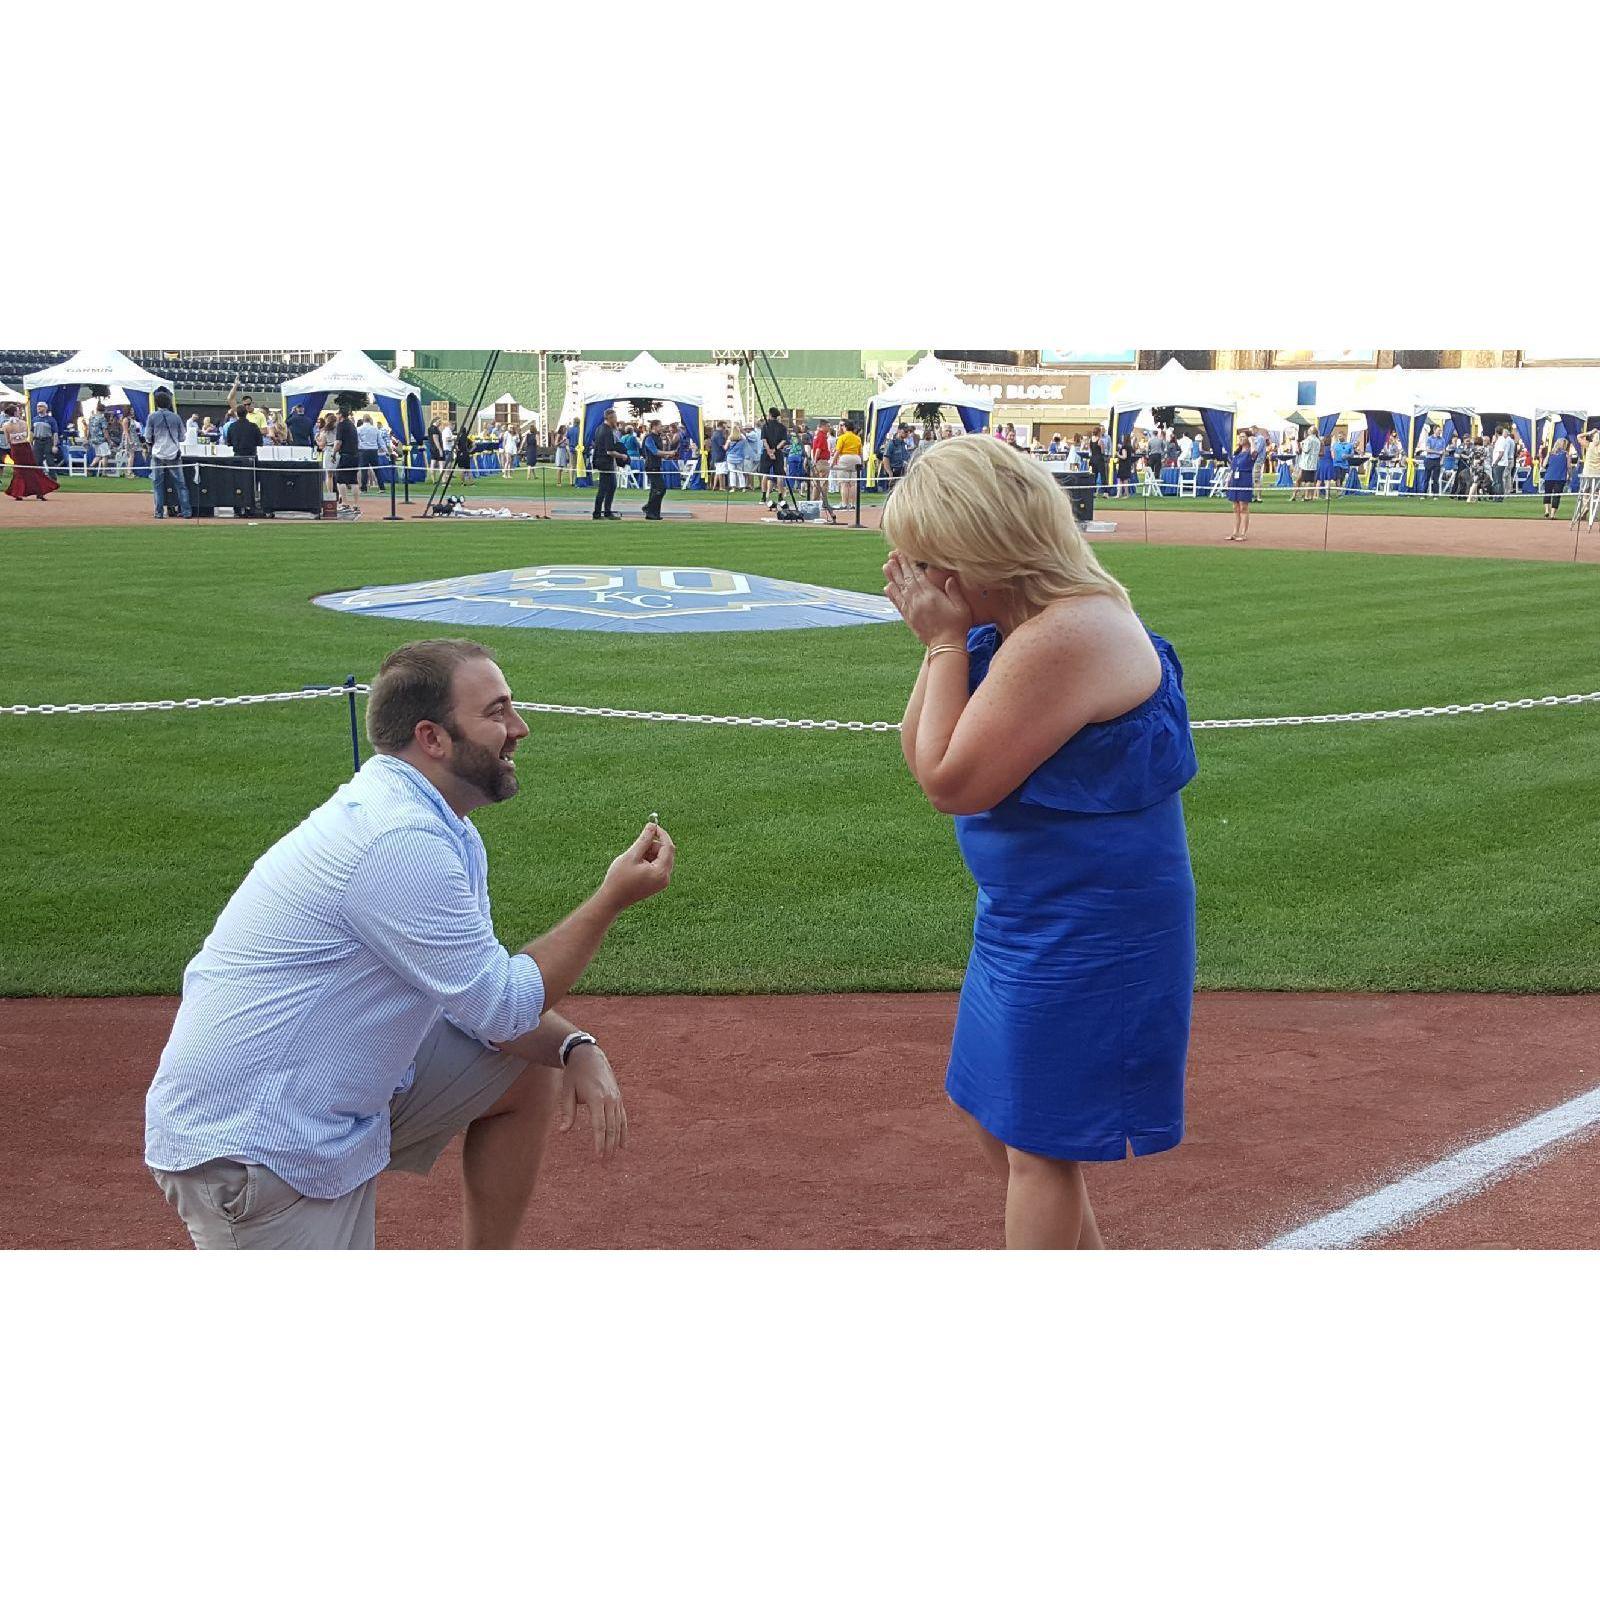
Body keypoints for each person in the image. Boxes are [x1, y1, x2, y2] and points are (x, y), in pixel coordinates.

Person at [144, 638, 676, 1250]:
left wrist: (575, 1046)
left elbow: (481, 1006)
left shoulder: (436, 820)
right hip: (256, 1147)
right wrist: (611, 899)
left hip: (319, 1101)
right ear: (433, 738)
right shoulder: (399, 840)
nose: (519, 728)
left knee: (525, 1069)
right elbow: (503, 1007)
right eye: (497, 712)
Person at [879, 436, 1196, 1249]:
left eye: (927, 560)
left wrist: (945, 644)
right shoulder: (1017, 625)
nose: (916, 581)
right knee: (996, 1119)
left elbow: (953, 784)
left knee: (1039, 1150)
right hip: (1027, 917)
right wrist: (943, 645)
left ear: (978, 550)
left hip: (1094, 927)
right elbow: (920, 754)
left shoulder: (1070, 632)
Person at [142, 389, 192, 521]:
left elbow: (147, 437)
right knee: (181, 484)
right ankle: (186, 511)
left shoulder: (152, 417)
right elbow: (182, 437)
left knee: (157, 485)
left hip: (158, 453)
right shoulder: (176, 417)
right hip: (173, 454)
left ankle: (159, 513)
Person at [3, 402, 59, 501]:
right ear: (15, 413)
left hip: (15, 448)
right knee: (32, 470)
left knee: (19, 470)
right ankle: (39, 492)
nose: (19, 412)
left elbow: (8, 440)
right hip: (25, 447)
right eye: (18, 411)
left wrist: (14, 436)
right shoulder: (23, 423)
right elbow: (26, 435)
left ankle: (18, 493)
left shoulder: (6, 425)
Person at [590, 406, 627, 519]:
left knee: (608, 486)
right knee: (607, 487)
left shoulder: (599, 428)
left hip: (600, 461)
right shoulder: (607, 431)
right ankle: (602, 512)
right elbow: (610, 451)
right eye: (615, 418)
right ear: (610, 418)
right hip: (606, 462)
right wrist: (622, 455)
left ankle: (603, 511)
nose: (616, 420)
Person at [227, 403, 263, 518]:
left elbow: (229, 442)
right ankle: (250, 508)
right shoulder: (253, 426)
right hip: (251, 457)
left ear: (237, 414)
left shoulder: (232, 427)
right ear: (246, 413)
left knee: (237, 483)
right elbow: (260, 442)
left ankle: (237, 508)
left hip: (237, 457)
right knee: (252, 483)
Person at [1224, 431, 1255, 541]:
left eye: (1243, 437)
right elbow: (1232, 468)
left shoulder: (1250, 452)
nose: (1241, 439)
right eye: (1240, 437)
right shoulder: (1237, 453)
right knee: (1235, 507)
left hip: (1244, 479)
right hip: (1235, 480)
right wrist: (1228, 480)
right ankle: (1235, 532)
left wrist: (1252, 441)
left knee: (1243, 507)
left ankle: (1243, 533)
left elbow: (1254, 453)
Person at [335, 402, 362, 519]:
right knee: (353, 480)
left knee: (341, 479)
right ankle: (356, 505)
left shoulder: (341, 425)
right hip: (355, 455)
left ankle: (345, 503)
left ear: (341, 414)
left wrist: (333, 453)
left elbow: (338, 442)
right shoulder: (352, 425)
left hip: (345, 455)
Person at [758, 406, 789, 504]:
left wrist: (769, 451)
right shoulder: (782, 427)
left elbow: (764, 440)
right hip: (778, 452)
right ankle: (780, 496)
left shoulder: (765, 426)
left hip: (767, 452)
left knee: (765, 475)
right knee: (779, 475)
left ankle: (763, 497)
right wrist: (774, 450)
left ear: (770, 415)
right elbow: (783, 441)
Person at [641, 417, 668, 520]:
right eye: (660, 426)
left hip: (657, 465)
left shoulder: (658, 437)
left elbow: (660, 452)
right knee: (661, 488)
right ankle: (648, 507)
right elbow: (654, 451)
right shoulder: (649, 438)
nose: (662, 428)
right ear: (655, 426)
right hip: (651, 466)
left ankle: (653, 514)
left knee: (654, 489)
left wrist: (666, 454)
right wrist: (668, 453)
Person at [1539, 433, 1572, 519]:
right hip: (1560, 477)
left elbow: (1544, 464)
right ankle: (1553, 514)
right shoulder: (1566, 454)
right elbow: (1569, 466)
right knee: (1556, 496)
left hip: (1549, 476)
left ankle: (1546, 510)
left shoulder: (1550, 453)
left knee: (1547, 494)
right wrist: (1570, 475)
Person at [834, 418, 863, 509]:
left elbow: (838, 451)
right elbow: (860, 452)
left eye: (842, 426)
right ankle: (853, 504)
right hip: (856, 458)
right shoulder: (857, 438)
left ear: (845, 427)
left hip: (845, 458)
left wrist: (832, 462)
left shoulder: (842, 437)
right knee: (853, 483)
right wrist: (861, 462)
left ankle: (844, 503)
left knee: (844, 483)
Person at [1293, 426, 1322, 501]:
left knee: (1307, 480)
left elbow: (1306, 450)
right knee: (1311, 480)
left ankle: (1306, 496)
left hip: (1306, 463)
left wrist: (1301, 445)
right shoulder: (1318, 440)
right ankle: (1309, 496)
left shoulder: (1309, 440)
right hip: (1314, 462)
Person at [356, 412, 382, 491]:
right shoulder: (375, 429)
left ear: (363, 420)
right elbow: (380, 440)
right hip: (374, 450)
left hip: (363, 450)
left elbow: (357, 440)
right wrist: (384, 449)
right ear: (370, 420)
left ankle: (364, 487)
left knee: (364, 470)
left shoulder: (359, 429)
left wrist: (359, 447)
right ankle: (382, 487)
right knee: (377, 470)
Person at [31, 402, 58, 470]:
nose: (38, 408)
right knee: (37, 462)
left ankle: (53, 479)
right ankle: (39, 479)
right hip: (37, 441)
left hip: (47, 441)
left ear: (45, 408)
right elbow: (31, 432)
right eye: (37, 406)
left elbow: (55, 433)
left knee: (50, 462)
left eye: (40, 406)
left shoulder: (51, 420)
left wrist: (54, 445)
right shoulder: (34, 419)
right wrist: (30, 443)